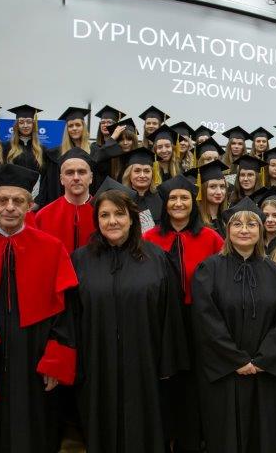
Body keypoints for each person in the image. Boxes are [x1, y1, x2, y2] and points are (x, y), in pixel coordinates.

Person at [0, 163, 78, 453]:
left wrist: (56, 360)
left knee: (36, 424)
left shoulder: (51, 247)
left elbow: (66, 312)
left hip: (35, 353)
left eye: (18, 201)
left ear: (30, 205)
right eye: (3, 200)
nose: (10, 207)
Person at [70, 186, 187, 452]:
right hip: (97, 363)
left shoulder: (157, 258)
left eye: (119, 214)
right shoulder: (80, 260)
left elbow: (171, 315)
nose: (112, 221)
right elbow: (72, 316)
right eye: (104, 215)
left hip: (145, 364)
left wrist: (167, 365)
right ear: (96, 220)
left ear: (132, 218)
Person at [190, 198, 276, 453]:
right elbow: (206, 320)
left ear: (261, 230)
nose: (244, 230)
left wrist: (263, 360)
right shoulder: (209, 270)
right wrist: (236, 360)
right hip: (223, 373)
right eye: (237, 224)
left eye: (251, 224)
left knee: (263, 436)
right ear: (227, 230)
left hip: (264, 373)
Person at [141, 174, 222, 452]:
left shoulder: (211, 238)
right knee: (165, 381)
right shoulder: (149, 239)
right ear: (164, 204)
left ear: (193, 202)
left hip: (198, 320)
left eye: (184, 198)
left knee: (194, 383)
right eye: (173, 198)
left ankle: (192, 439)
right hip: (162, 321)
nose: (178, 203)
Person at [32, 148, 96, 252]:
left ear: (91, 178)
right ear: (61, 179)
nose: (76, 178)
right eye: (70, 173)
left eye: (82, 172)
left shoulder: (102, 212)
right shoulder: (43, 216)